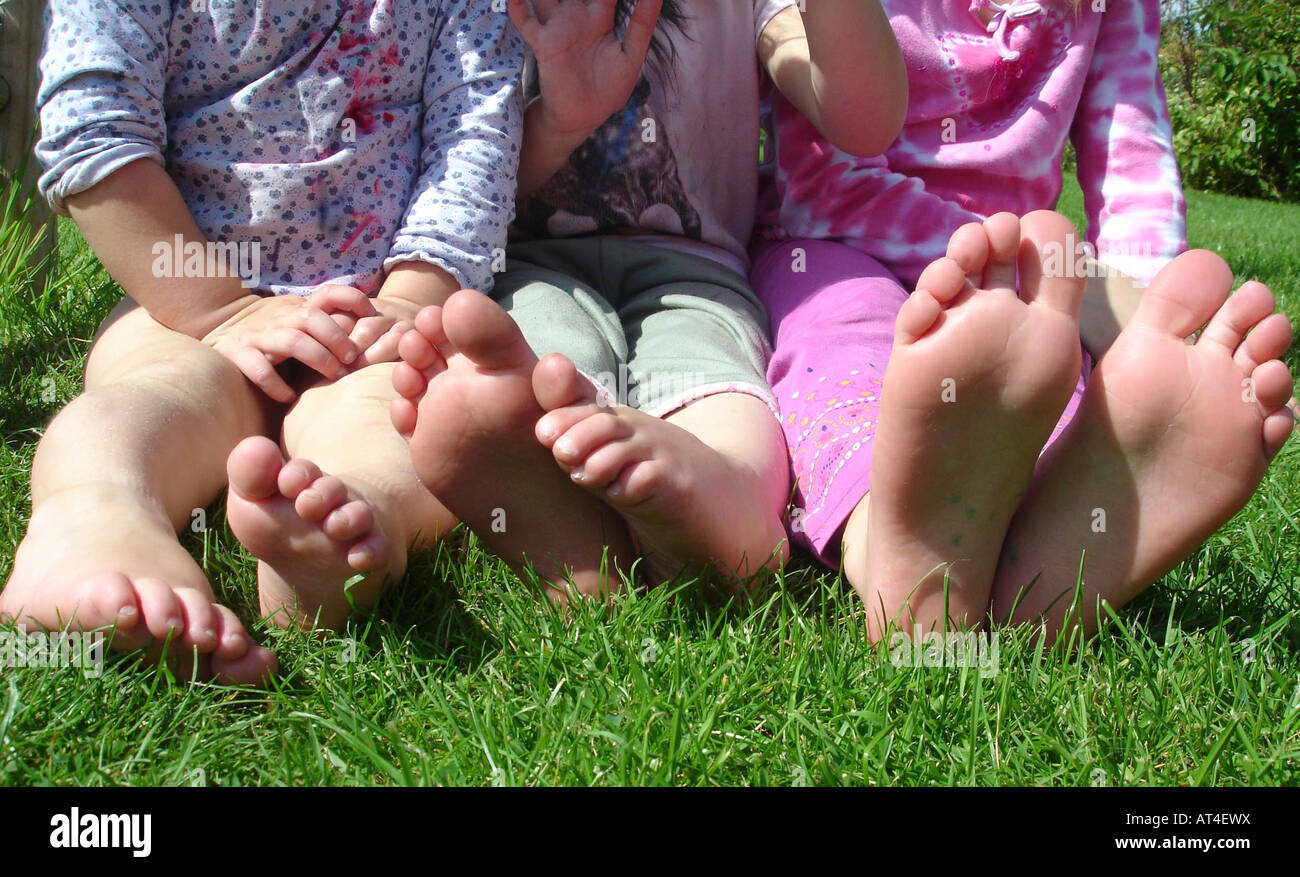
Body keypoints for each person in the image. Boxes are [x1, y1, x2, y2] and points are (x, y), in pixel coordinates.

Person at [0, 0, 523, 683]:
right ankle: (95, 516)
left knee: (395, 414)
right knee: (155, 396)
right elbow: (95, 131)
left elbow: (475, 139)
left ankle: (340, 528)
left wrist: (407, 298)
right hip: (182, 302)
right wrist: (221, 312)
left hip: (366, 312)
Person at [749, 0, 1296, 639]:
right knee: (843, 347)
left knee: (1042, 392)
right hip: (839, 249)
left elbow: (1132, 163)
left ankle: (1026, 552)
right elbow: (824, 184)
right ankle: (898, 556)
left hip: (1018, 303)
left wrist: (1144, 332)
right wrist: (1078, 287)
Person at [390, 0, 908, 601]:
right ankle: (570, 507)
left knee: (709, 372)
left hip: (693, 269)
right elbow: (468, 161)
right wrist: (561, 121)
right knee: (536, 361)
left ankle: (723, 492)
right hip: (524, 261)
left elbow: (864, 123)